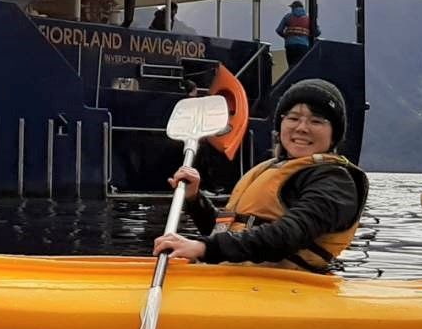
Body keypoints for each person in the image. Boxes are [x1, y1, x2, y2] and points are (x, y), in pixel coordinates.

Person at [152, 79, 367, 272]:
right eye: (293, 118)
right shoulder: (272, 167)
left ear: (334, 134)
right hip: (238, 277)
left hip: (286, 287)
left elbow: (288, 236)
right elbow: (225, 230)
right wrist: (194, 199)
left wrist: (203, 248)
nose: (302, 128)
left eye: (316, 121)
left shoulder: (335, 182)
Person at [275, 0, 312, 66]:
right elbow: (317, 32)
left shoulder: (287, 17)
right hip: (303, 46)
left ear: (293, 8)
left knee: (291, 66)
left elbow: (279, 30)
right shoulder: (308, 19)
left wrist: (286, 37)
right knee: (301, 67)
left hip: (290, 45)